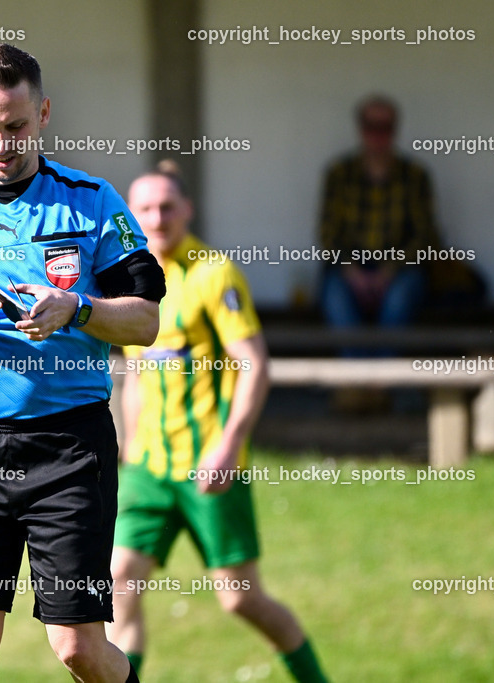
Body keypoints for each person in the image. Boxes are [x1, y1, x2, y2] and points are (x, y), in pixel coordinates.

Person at [0, 44, 165, 683]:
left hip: (69, 449)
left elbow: (146, 321)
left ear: (42, 114)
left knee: (76, 648)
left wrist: (76, 309)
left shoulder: (91, 201)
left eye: (15, 127)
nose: (1, 143)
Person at [106, 163, 328, 682]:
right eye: (144, 208)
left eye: (167, 206)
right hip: (148, 469)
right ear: (130, 216)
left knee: (240, 599)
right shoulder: (127, 278)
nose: (156, 217)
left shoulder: (214, 272)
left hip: (210, 466)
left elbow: (253, 363)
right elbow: (134, 374)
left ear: (187, 210)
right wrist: (127, 448)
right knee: (118, 588)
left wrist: (229, 446)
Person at [318, 94, 438, 351]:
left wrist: (389, 270)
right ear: (360, 129)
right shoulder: (339, 174)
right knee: (335, 296)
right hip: (348, 267)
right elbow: (328, 235)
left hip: (401, 268)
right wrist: (352, 271)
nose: (378, 135)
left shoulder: (415, 176)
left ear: (395, 130)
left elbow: (424, 236)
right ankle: (358, 380)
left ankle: (380, 381)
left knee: (400, 298)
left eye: (386, 128)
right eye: (371, 127)